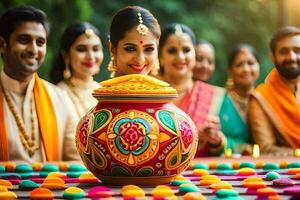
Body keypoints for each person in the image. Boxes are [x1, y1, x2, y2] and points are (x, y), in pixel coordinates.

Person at [0, 5, 79, 162]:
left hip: (52, 186)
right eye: (24, 40)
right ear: (3, 44)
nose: (33, 49)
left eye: (40, 42)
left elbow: (76, 162)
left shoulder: (60, 99)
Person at [158, 23, 226, 156]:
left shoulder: (212, 95)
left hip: (201, 174)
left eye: (186, 50)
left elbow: (228, 144)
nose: (181, 57)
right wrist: (194, 135)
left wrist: (215, 140)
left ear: (194, 55)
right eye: (172, 51)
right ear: (160, 57)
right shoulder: (149, 95)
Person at [248, 26, 300, 155]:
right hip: (287, 170)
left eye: (297, 50)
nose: (292, 57)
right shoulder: (261, 98)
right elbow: (266, 149)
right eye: (284, 51)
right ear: (273, 58)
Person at [51, 22, 103, 120]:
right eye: (81, 49)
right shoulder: (58, 94)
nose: (91, 56)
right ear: (66, 55)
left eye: (95, 49)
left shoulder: (105, 92)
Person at [219, 44, 260, 155]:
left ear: (258, 66)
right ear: (230, 71)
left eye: (250, 63)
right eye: (239, 64)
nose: (246, 69)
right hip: (225, 167)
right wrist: (243, 148)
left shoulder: (267, 100)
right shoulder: (219, 101)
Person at [107, 6, 160, 77]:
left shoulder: (167, 88)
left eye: (149, 49)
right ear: (113, 49)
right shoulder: (96, 88)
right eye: (131, 49)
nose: (140, 60)